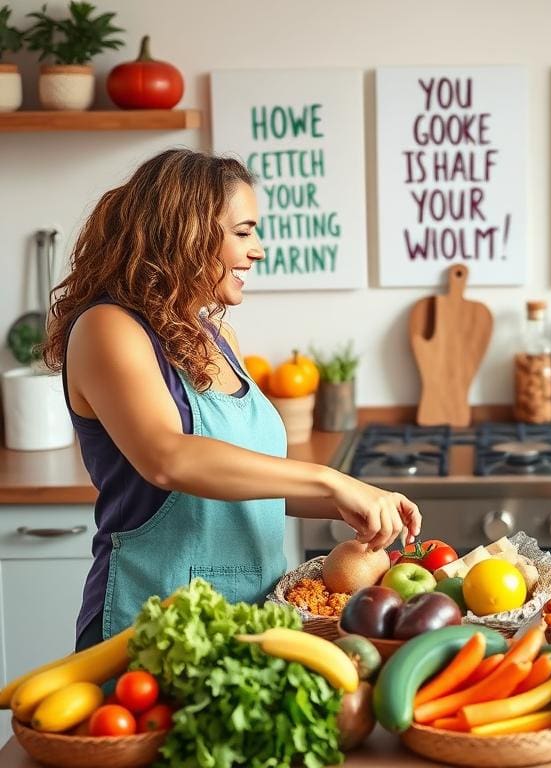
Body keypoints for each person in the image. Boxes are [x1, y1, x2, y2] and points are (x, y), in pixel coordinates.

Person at [43, 149, 421, 650]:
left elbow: (256, 481)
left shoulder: (217, 337)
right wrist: (330, 478)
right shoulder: (107, 327)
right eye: (243, 232)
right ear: (186, 232)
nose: (258, 249)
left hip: (253, 623)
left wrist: (354, 501)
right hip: (150, 629)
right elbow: (168, 457)